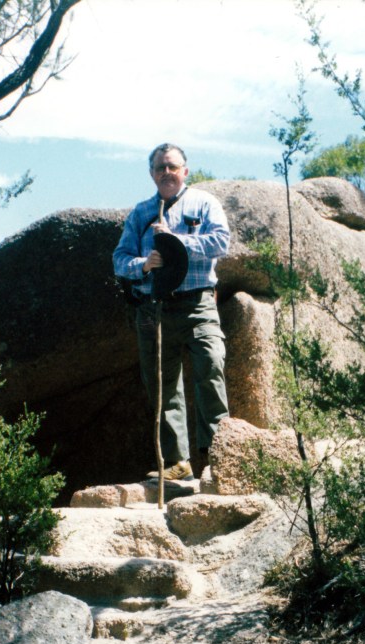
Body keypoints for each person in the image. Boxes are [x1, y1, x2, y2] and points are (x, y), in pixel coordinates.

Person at [113, 142, 230, 481]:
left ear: (185, 171)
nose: (167, 172)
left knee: (210, 370)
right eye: (160, 168)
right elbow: (119, 260)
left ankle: (218, 459)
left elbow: (221, 241)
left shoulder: (204, 203)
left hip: (198, 303)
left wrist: (176, 242)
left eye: (172, 167)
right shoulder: (141, 213)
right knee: (163, 387)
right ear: (152, 174)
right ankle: (177, 464)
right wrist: (144, 264)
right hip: (154, 308)